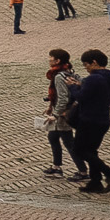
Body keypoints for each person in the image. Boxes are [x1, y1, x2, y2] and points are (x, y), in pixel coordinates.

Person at [68, 50, 110, 194]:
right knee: (91, 151)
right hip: (103, 119)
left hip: (89, 119)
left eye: (86, 64)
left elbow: (82, 97)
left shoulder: (94, 78)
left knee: (79, 150)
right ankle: (95, 181)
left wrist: (73, 87)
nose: (86, 68)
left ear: (94, 63)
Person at [42, 49, 81, 179]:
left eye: (50, 57)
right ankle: (56, 167)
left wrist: (56, 114)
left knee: (69, 142)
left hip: (63, 114)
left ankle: (83, 171)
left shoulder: (59, 76)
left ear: (57, 60)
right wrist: (50, 107)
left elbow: (63, 97)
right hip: (60, 110)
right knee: (53, 137)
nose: (49, 59)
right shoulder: (68, 72)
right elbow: (55, 96)